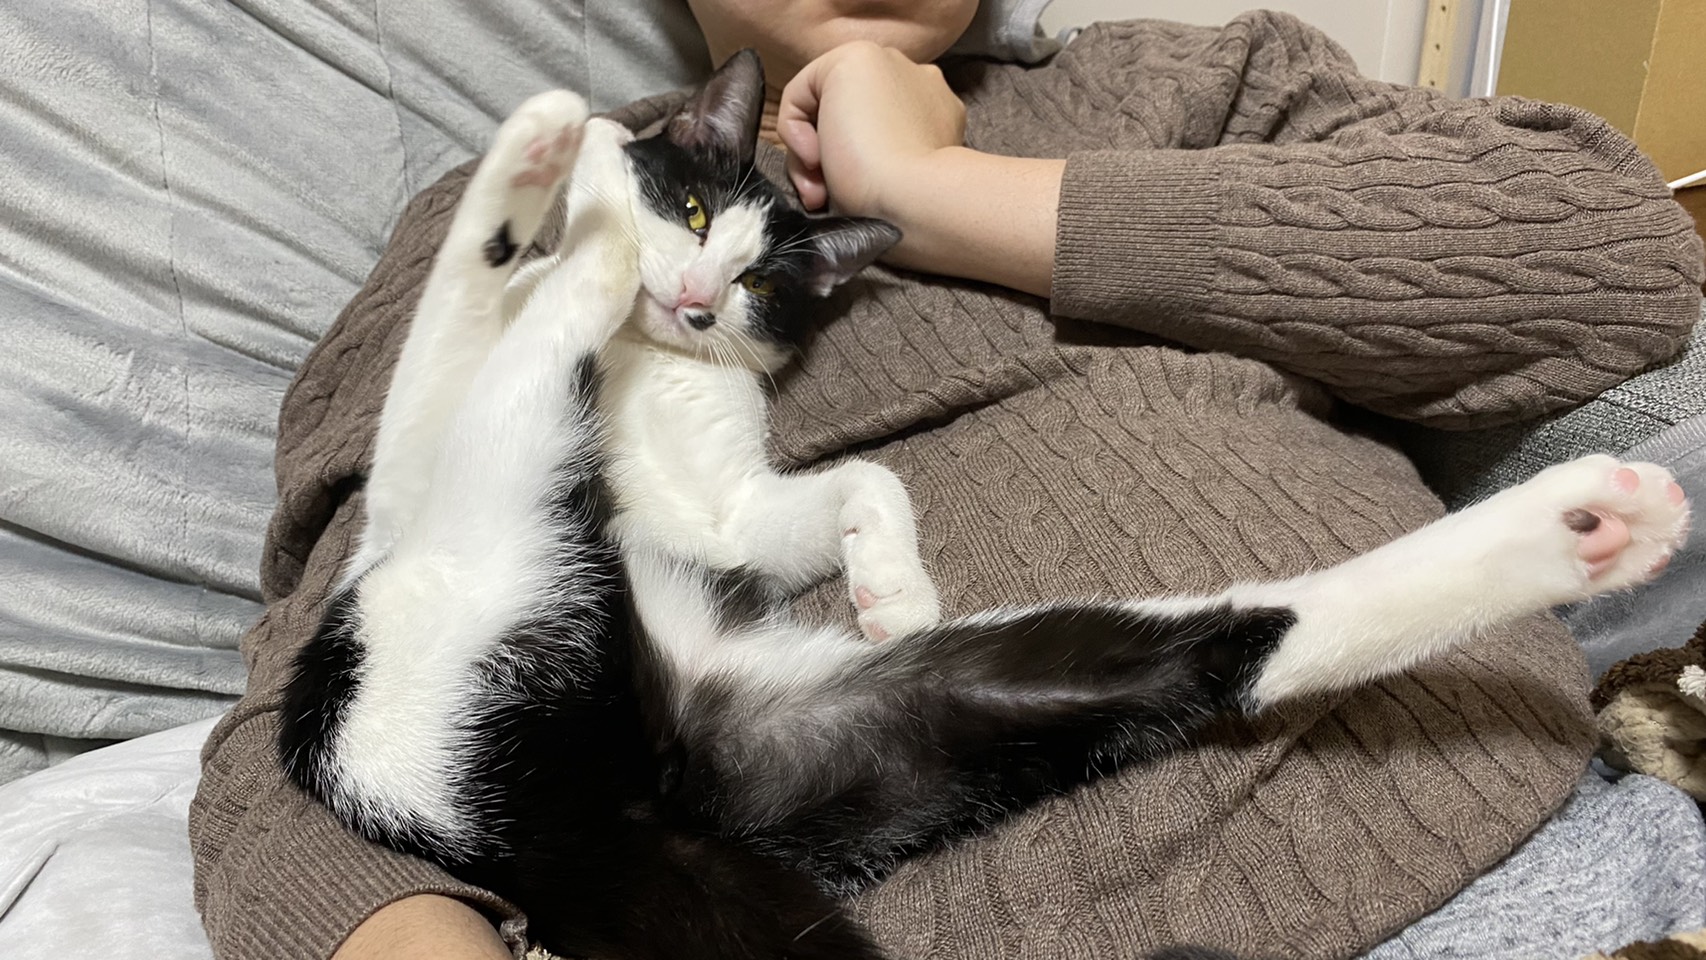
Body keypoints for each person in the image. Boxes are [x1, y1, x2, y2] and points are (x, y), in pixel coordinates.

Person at [189, 2, 1704, 959]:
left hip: (1530, 857)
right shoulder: (506, 205)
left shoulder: (1177, 79)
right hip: (806, 858)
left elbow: (1612, 265)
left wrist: (941, 193)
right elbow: (341, 668)